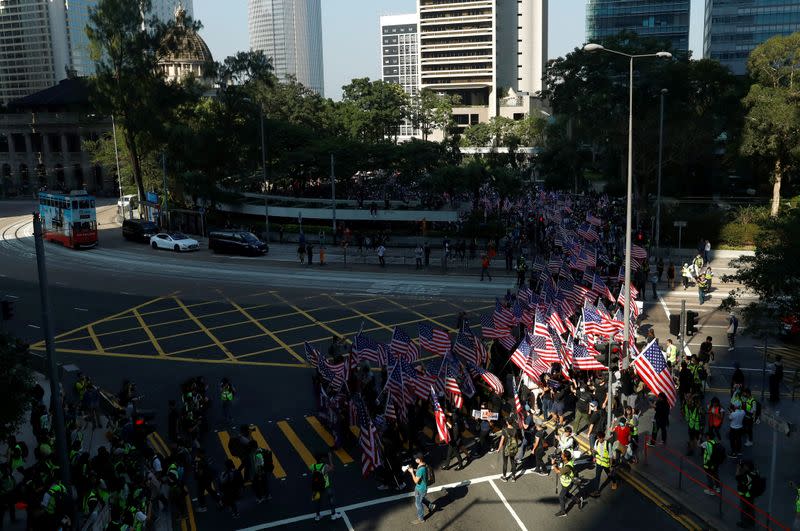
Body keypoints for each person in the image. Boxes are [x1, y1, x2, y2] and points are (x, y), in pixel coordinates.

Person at [407, 453, 435, 525]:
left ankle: (421, 519)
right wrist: (414, 470)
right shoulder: (423, 464)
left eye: (416, 458)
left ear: (419, 459)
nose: (415, 459)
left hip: (421, 488)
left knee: (418, 503)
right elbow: (421, 472)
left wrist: (412, 473)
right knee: (420, 499)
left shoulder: (421, 469)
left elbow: (416, 481)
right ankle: (431, 506)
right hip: (419, 488)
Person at [310, 453, 339, 521]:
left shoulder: (312, 466)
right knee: (331, 499)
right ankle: (333, 515)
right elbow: (332, 468)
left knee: (318, 502)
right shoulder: (324, 466)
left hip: (317, 487)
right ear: (321, 459)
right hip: (326, 486)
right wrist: (330, 458)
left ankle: (317, 516)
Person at [736, 460, 757, 528]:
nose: (743, 467)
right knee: (751, 508)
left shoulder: (746, 476)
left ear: (748, 467)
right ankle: (752, 521)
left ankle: (744, 523)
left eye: (745, 466)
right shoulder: (755, 473)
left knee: (744, 509)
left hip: (745, 495)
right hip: (751, 494)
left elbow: (737, 477)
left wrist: (738, 469)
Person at [498, 418, 520, 482]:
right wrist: (516, 447)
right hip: (513, 448)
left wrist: (499, 448)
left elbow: (502, 440)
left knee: (505, 463)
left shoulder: (504, 430)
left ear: (507, 422)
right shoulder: (515, 430)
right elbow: (516, 439)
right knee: (512, 462)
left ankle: (504, 477)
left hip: (506, 449)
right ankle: (513, 477)